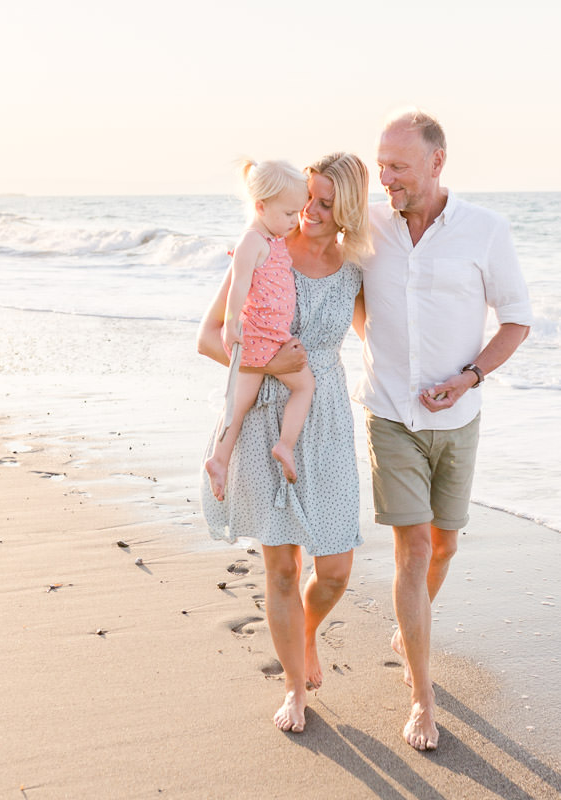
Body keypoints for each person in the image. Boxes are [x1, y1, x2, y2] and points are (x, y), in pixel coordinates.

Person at [355, 109, 533, 751]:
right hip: (390, 415)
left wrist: (468, 378)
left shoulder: (485, 230)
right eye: (381, 164)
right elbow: (347, 289)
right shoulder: (369, 224)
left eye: (397, 165)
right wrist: (374, 350)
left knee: (447, 545)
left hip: (459, 417)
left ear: (437, 162)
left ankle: (413, 625)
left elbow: (515, 321)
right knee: (414, 551)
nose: (386, 177)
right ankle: (421, 699)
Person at [199, 152, 372, 734]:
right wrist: (270, 365)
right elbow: (208, 337)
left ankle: (305, 631)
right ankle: (296, 688)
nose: (312, 212)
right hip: (265, 412)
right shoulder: (267, 247)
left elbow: (385, 337)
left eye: (327, 203)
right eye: (309, 198)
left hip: (325, 422)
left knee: (336, 569)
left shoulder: (356, 266)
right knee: (279, 569)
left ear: (347, 207)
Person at [204, 159, 314, 501]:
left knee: (238, 406)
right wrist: (232, 323)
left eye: (298, 213)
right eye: (288, 214)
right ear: (260, 206)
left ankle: (220, 460)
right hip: (260, 338)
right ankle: (285, 444)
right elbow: (238, 286)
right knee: (304, 386)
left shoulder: (273, 236)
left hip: (271, 337)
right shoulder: (252, 240)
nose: (294, 221)